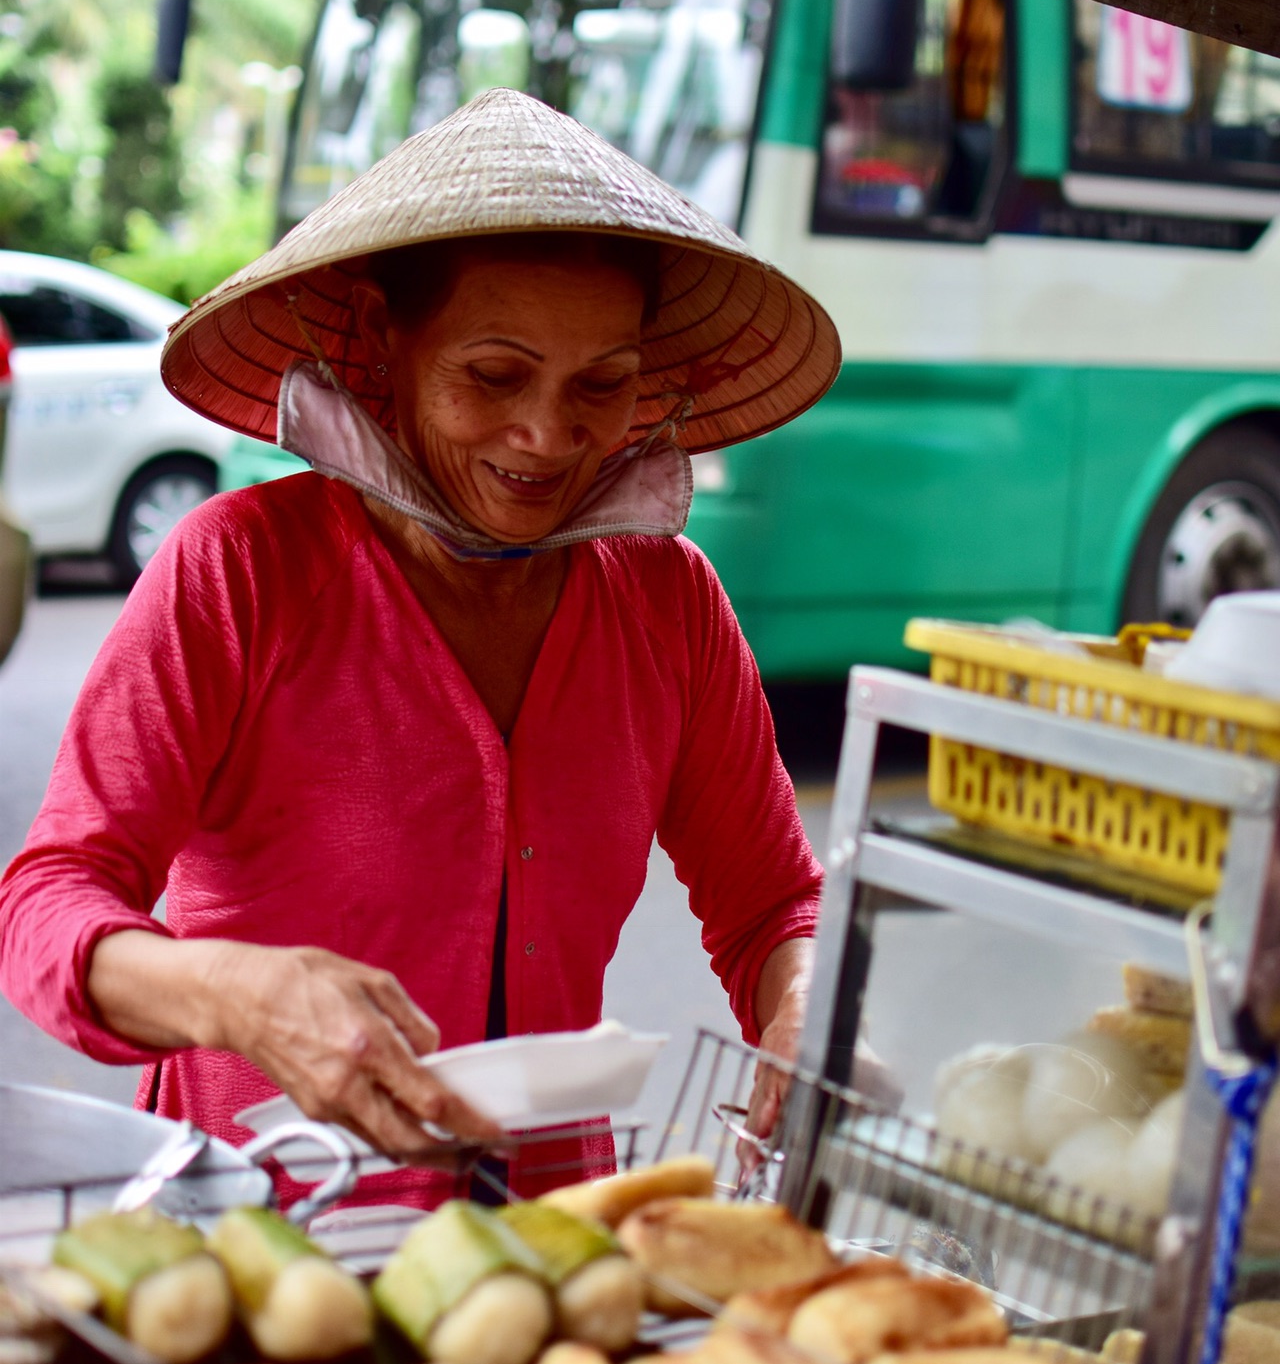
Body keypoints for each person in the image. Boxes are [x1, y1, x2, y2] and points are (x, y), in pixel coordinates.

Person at [0, 88, 842, 1191]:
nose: (548, 436)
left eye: (603, 386)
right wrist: (233, 994)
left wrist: (803, 1001)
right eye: (493, 376)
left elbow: (773, 901)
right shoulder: (238, 571)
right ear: (382, 349)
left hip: (548, 1232)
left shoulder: (667, 600)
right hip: (267, 1219)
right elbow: (50, 905)